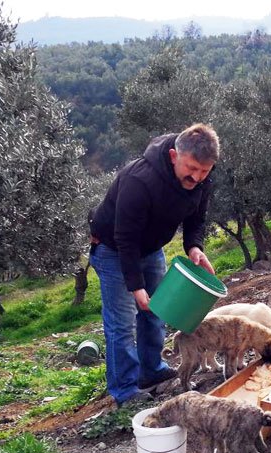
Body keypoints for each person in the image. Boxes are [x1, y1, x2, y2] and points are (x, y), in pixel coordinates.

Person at [89, 123, 219, 407]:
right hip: (113, 249)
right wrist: (135, 286)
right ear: (174, 156)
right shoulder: (140, 179)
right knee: (122, 324)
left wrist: (194, 247)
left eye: (204, 171)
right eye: (192, 168)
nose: (197, 177)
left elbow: (197, 218)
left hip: (150, 248)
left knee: (155, 312)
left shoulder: (202, 178)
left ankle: (151, 371)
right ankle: (124, 390)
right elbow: (125, 237)